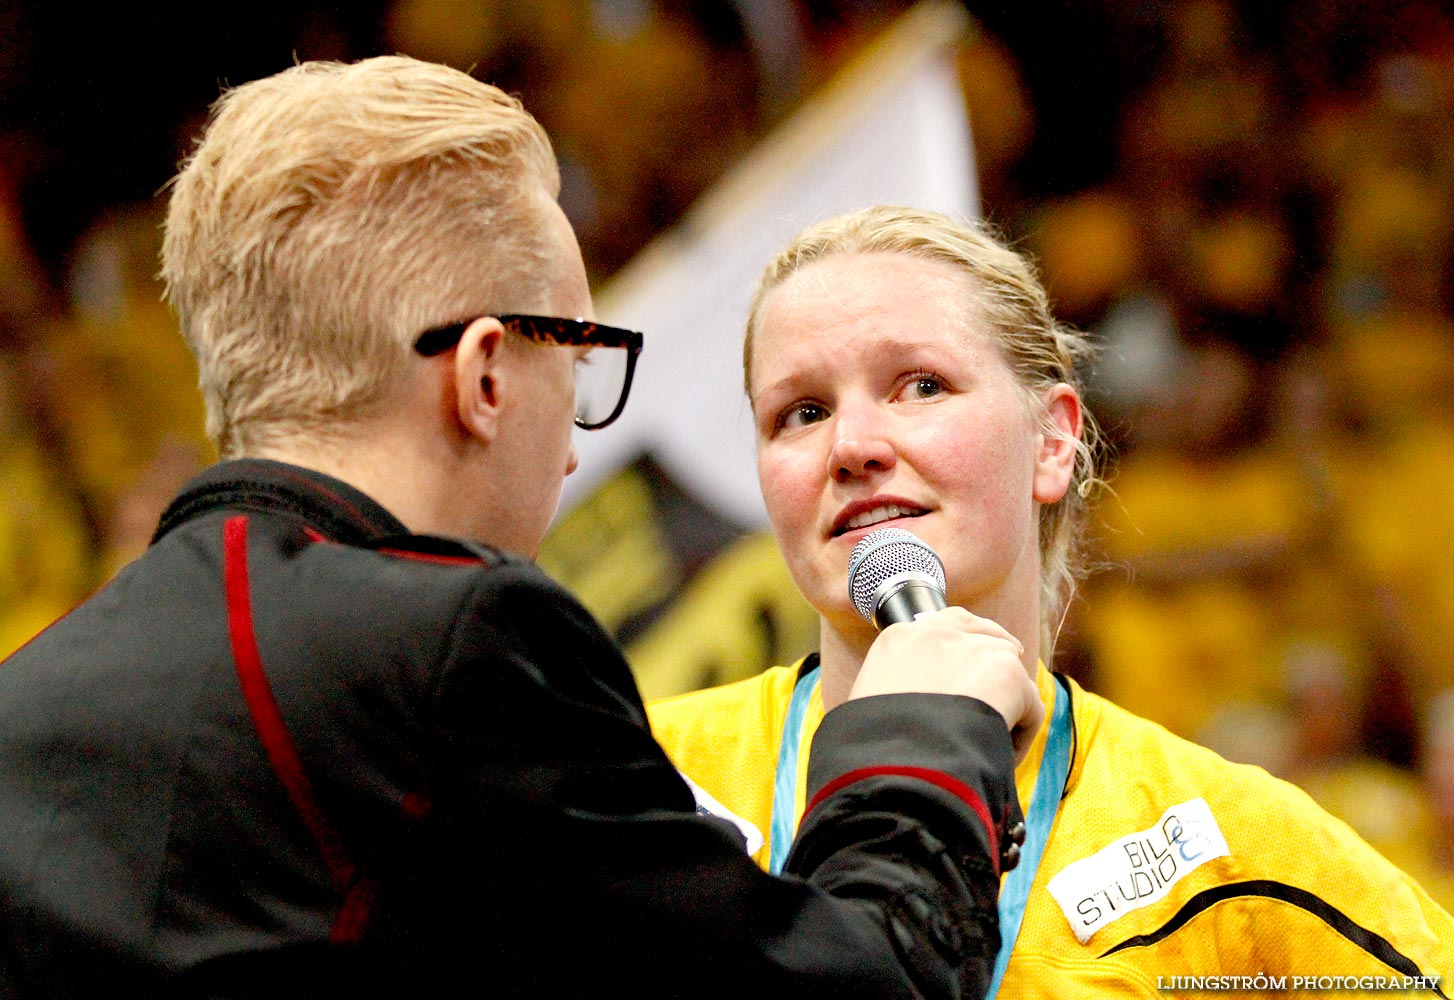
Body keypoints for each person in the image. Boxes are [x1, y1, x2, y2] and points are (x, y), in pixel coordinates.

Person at [0, 60, 1043, 998]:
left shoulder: (31, 697)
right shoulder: (453, 642)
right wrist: (919, 735)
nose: (573, 449)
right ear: (486, 376)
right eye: (579, 363)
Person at [648, 205, 1454, 996]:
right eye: (802, 412)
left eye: (921, 386)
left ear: (1052, 441)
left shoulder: (1231, 851)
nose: (852, 445)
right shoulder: (646, 785)